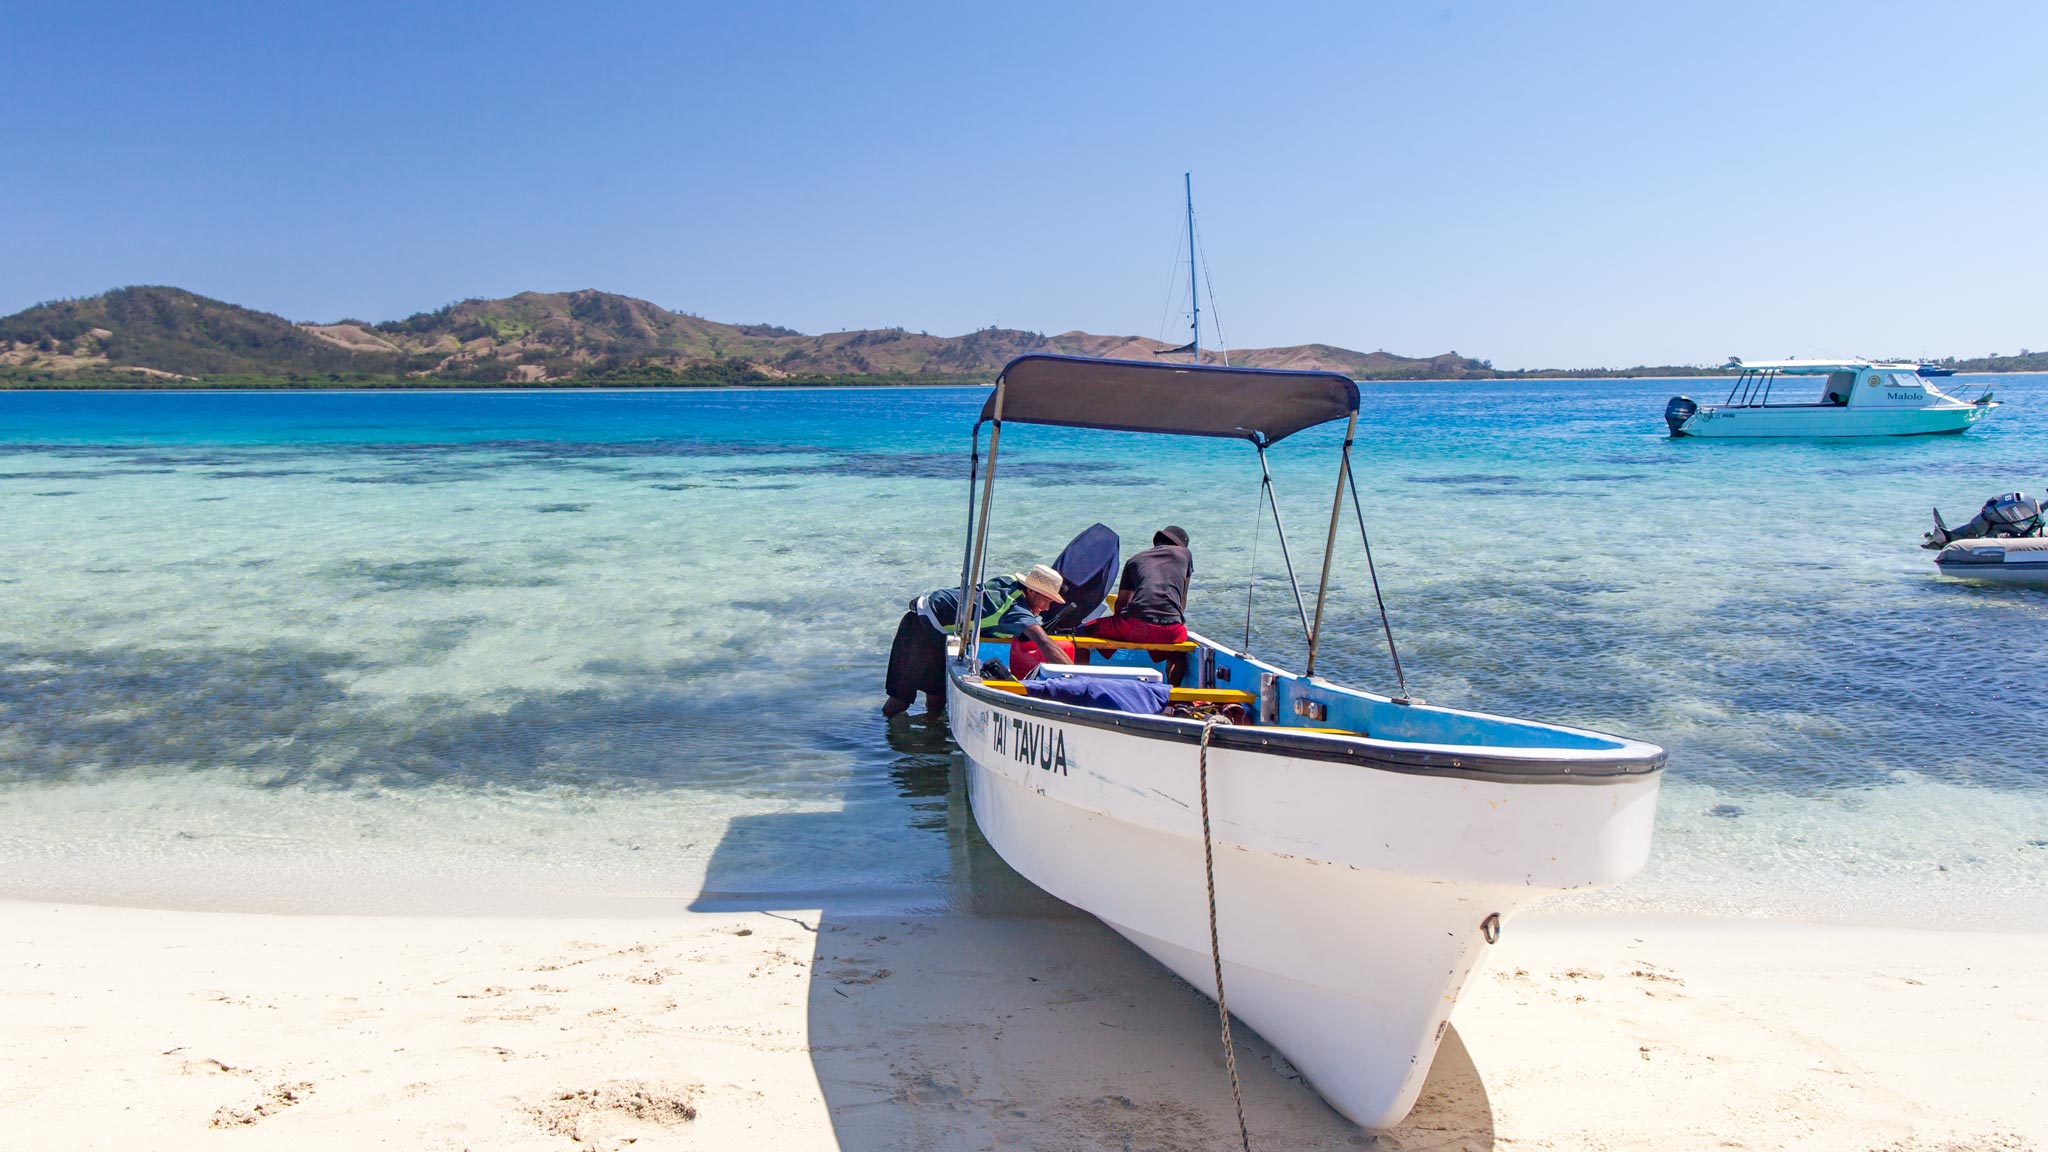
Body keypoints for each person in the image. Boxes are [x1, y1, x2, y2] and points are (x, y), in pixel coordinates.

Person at [883, 563, 1072, 717]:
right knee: (900, 700)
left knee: (938, 697)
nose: (1047, 608)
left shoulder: (1009, 581)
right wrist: (1075, 677)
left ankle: (931, 746)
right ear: (1031, 591)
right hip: (919, 625)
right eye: (1046, 600)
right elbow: (1045, 643)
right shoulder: (1014, 610)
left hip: (941, 631)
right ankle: (880, 738)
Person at [1080, 525, 1194, 684]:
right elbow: (1182, 601)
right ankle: (1172, 701)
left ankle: (1078, 681)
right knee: (1177, 653)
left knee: (1082, 632)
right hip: (1173, 631)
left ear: (1156, 543)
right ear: (1180, 546)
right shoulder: (1185, 555)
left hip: (1136, 627)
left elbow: (1121, 604)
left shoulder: (1134, 560)